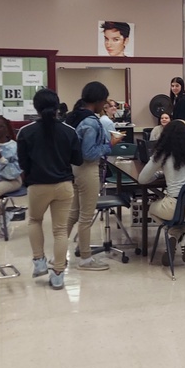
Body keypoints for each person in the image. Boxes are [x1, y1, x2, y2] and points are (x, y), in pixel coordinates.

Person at [16, 89, 83, 290]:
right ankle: (58, 274)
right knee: (60, 230)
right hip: (64, 185)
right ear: (57, 106)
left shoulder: (25, 132)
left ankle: (39, 261)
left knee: (35, 220)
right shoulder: (69, 131)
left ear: (35, 107)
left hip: (38, 186)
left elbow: (23, 164)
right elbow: (77, 160)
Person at [65, 81, 121, 272]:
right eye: (104, 101)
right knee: (86, 216)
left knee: (74, 212)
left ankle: (59, 252)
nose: (105, 105)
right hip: (87, 169)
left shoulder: (75, 117)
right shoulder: (90, 121)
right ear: (97, 101)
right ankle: (86, 258)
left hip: (75, 169)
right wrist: (110, 144)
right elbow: (89, 153)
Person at [138, 120, 185, 266]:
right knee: (184, 216)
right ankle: (179, 236)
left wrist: (159, 174)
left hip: (175, 206)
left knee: (152, 209)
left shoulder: (163, 153)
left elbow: (143, 179)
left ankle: (178, 236)